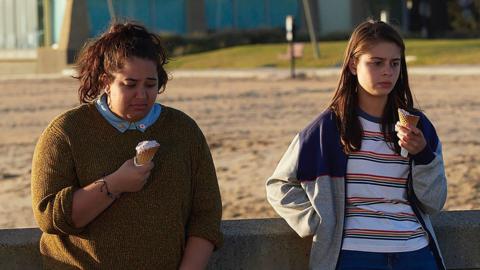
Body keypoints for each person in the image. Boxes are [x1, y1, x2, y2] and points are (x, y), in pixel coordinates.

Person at [31, 21, 222, 269]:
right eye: (130, 85)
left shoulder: (184, 131)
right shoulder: (66, 132)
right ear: (105, 82)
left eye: (150, 84)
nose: (141, 95)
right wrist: (116, 184)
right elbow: (49, 217)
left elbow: (206, 216)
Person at [266, 20, 447, 270]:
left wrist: (423, 155)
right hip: (353, 256)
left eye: (395, 63)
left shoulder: (419, 127)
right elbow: (279, 185)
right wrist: (318, 223)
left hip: (414, 253)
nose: (388, 72)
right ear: (353, 64)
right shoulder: (327, 129)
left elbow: (434, 203)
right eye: (377, 62)